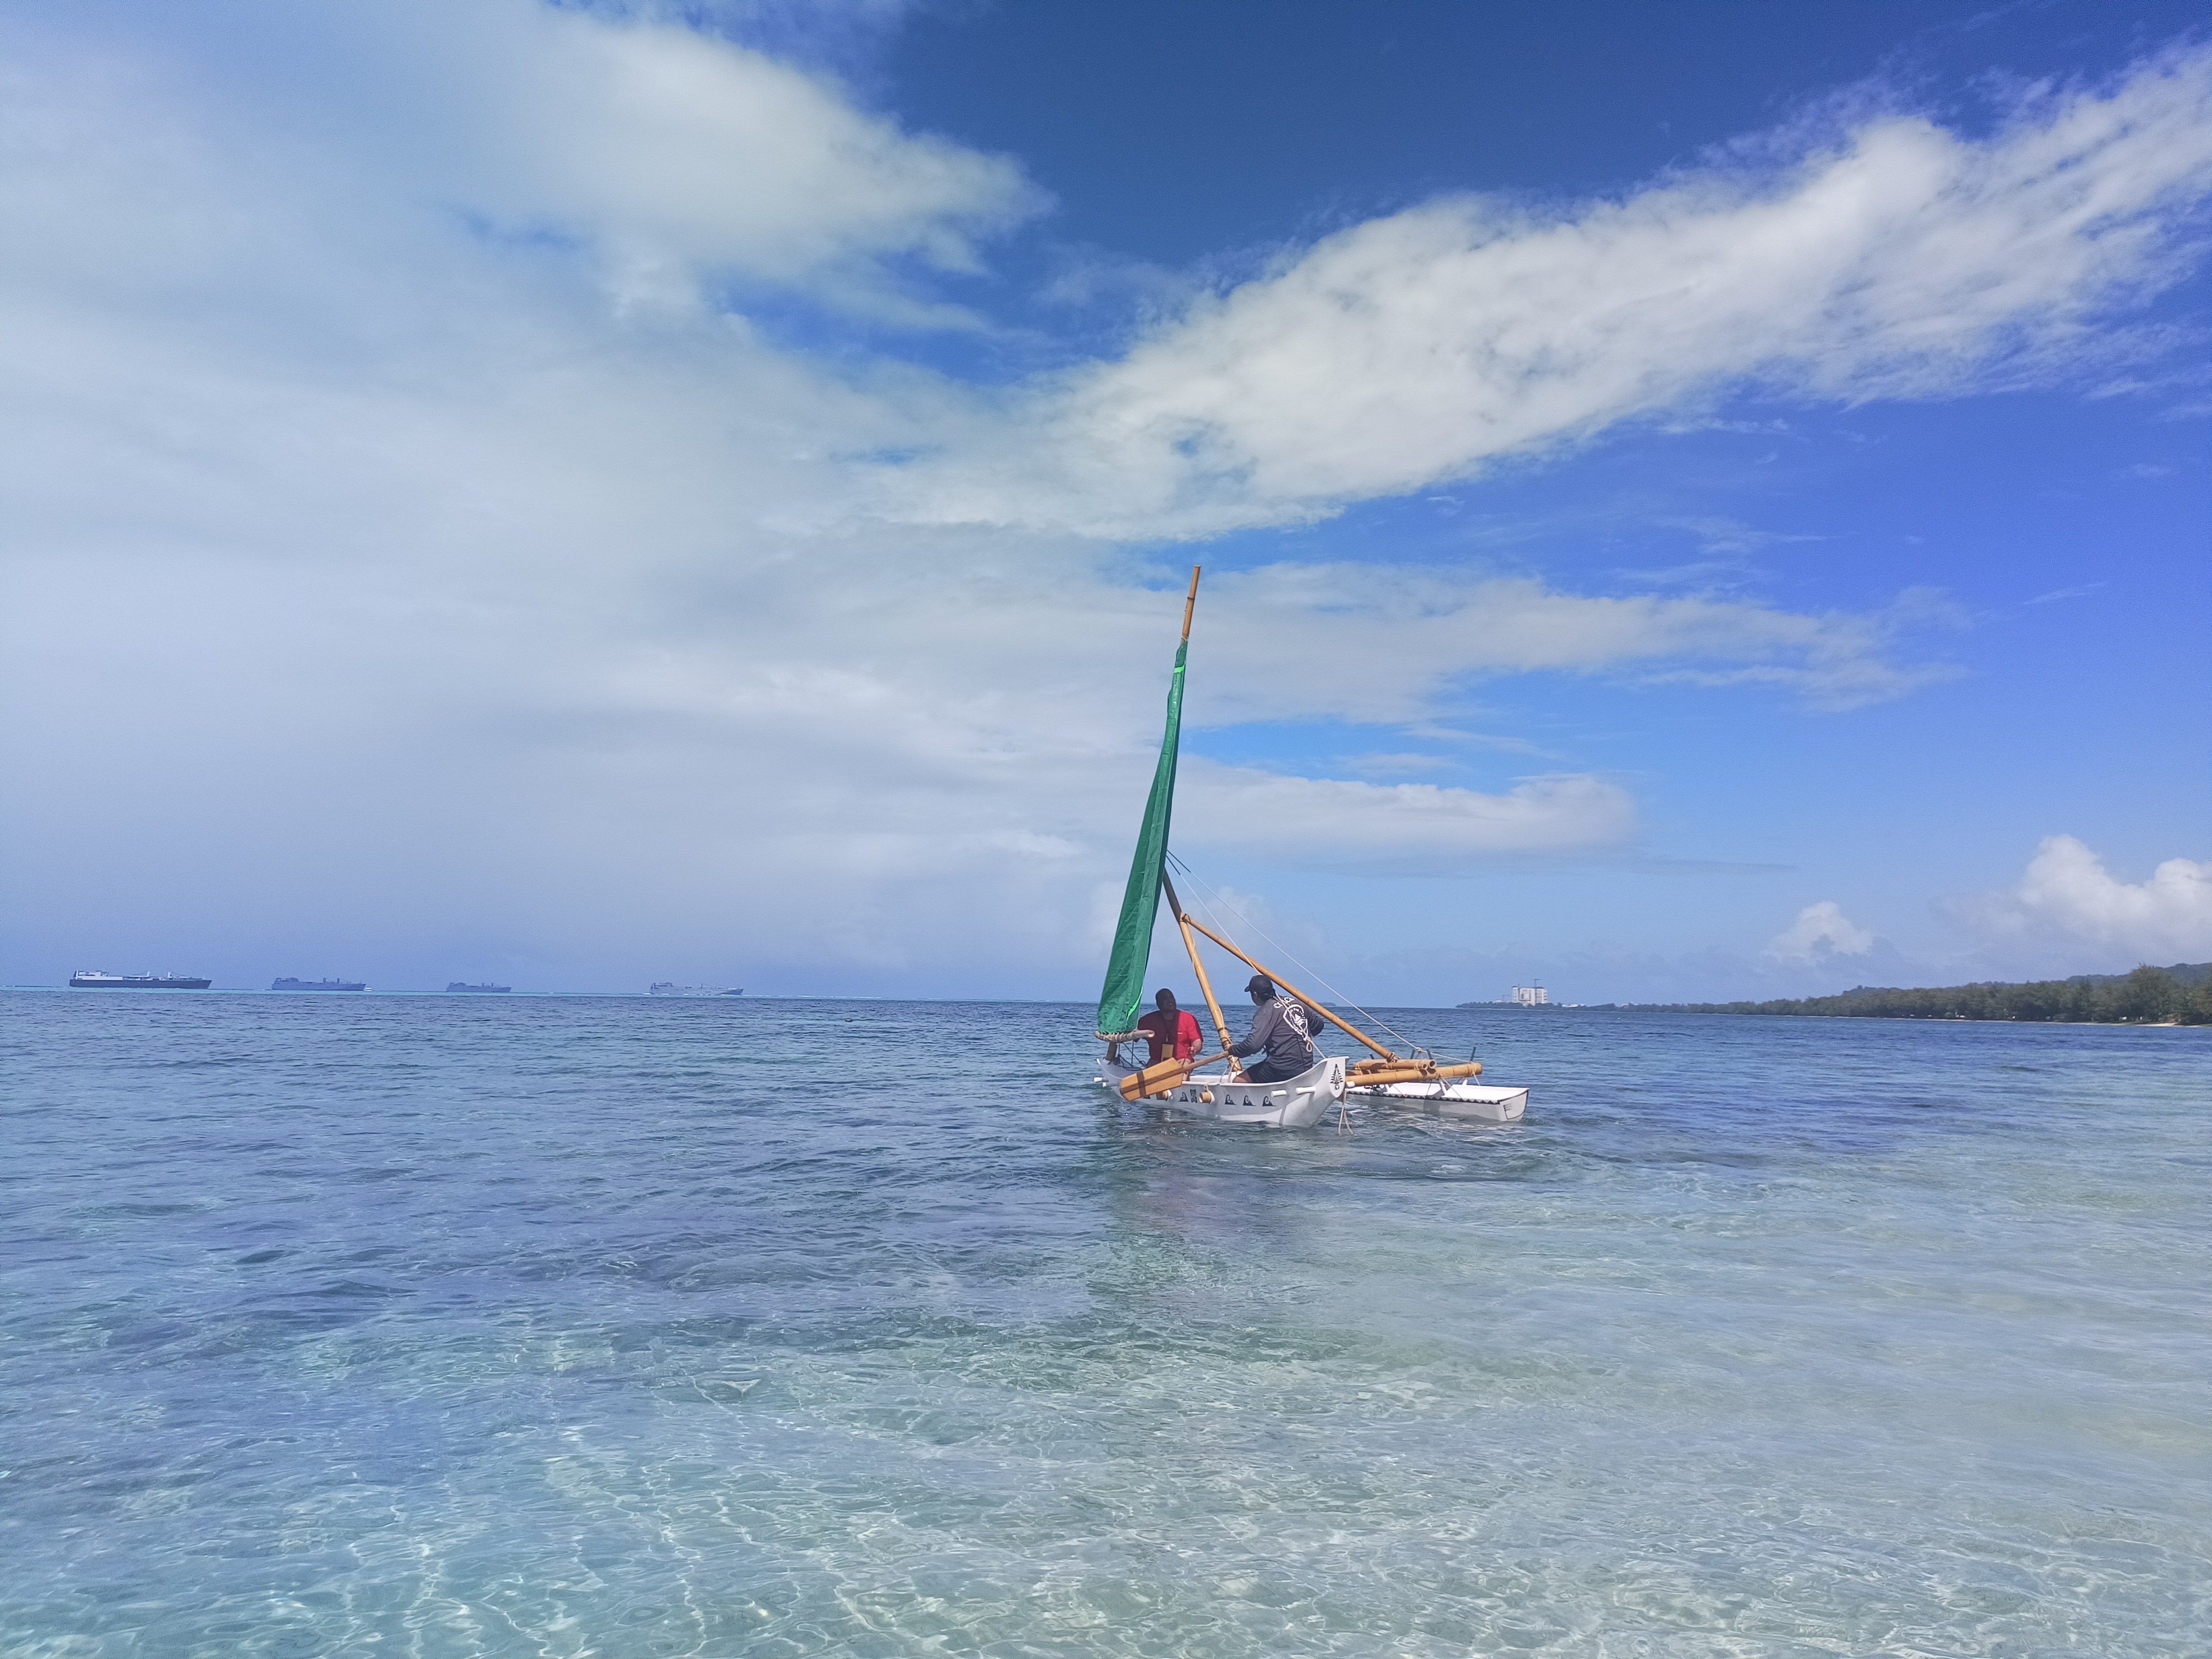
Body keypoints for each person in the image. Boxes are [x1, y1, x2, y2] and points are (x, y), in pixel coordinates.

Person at [1228, 974, 1316, 1082]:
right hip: (1306, 1066)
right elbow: (1318, 1026)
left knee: (1238, 1081)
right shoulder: (1296, 1003)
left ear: (1255, 995)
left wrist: (1234, 1050)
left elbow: (1253, 1045)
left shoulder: (1265, 1012)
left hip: (1281, 1068)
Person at [1136, 989, 1202, 1066]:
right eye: (1165, 999)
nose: (1170, 1001)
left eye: (1171, 998)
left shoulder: (1188, 1019)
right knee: (1150, 1073)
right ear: (1159, 1004)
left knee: (1184, 1067)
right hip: (1157, 1061)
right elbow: (1133, 1035)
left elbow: (1197, 1041)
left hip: (1182, 1060)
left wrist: (1195, 1049)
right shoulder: (1148, 1020)